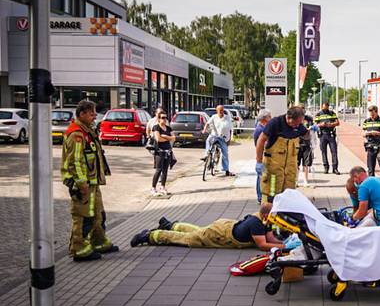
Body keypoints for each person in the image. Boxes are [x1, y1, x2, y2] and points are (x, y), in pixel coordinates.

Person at [61, 100, 118, 261]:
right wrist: (81, 183)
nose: (95, 117)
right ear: (82, 114)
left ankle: (99, 243)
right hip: (83, 185)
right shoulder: (77, 135)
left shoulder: (87, 131)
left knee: (98, 214)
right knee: (83, 217)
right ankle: (79, 249)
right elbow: (75, 162)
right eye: (92, 113)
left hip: (92, 183)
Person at [130, 205, 298, 251]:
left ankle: (170, 225)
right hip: (220, 235)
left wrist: (285, 242)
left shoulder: (263, 220)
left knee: (198, 230)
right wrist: (283, 247)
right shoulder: (256, 223)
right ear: (266, 215)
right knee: (189, 239)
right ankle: (151, 235)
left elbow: (270, 239)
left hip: (224, 226)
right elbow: (263, 245)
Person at [255, 106, 308, 205]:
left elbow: (306, 134)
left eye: (299, 123)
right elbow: (261, 140)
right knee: (271, 194)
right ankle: (268, 214)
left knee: (289, 195)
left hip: (289, 172)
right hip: (273, 171)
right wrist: (258, 161)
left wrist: (312, 131)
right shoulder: (275, 123)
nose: (297, 126)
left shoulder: (298, 126)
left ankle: (285, 215)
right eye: (296, 123)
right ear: (289, 118)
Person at [202, 105, 235, 177]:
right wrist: (204, 129)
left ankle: (226, 170)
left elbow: (230, 129)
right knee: (208, 140)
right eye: (219, 110)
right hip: (214, 135)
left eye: (222, 110)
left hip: (223, 137)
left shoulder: (227, 118)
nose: (221, 112)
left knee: (225, 153)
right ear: (217, 111)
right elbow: (207, 123)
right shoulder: (214, 116)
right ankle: (206, 155)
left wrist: (229, 139)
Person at [151, 112, 176, 196]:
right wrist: (169, 138)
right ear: (158, 118)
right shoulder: (156, 127)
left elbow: (174, 138)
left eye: (165, 117)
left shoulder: (169, 128)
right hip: (159, 152)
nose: (164, 119)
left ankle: (162, 187)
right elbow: (158, 139)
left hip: (168, 151)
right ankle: (153, 188)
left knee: (165, 170)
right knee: (158, 170)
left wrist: (165, 136)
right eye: (162, 117)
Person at [253, 109, 272, 203]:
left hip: (261, 158)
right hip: (262, 158)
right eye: (269, 117)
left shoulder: (260, 128)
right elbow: (259, 145)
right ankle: (261, 198)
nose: (271, 118)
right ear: (265, 118)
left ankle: (260, 197)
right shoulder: (261, 130)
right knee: (262, 179)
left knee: (259, 178)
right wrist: (259, 158)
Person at [315, 102, 340, 174]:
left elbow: (338, 122)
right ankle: (326, 168)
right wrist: (321, 124)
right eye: (323, 107)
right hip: (322, 135)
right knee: (323, 152)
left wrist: (331, 124)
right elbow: (316, 124)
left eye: (326, 107)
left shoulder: (332, 113)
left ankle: (335, 168)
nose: (325, 109)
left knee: (334, 152)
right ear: (321, 107)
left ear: (328, 107)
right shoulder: (318, 114)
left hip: (331, 135)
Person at [362, 105, 380, 176]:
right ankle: (372, 184)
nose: (372, 116)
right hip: (370, 146)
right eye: (370, 114)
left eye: (373, 114)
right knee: (370, 168)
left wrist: (377, 133)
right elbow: (362, 133)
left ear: (376, 112)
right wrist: (366, 133)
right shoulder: (366, 121)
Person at [297, 106, 315, 187]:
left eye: (303, 110)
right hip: (297, 143)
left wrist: (312, 128)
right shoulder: (295, 118)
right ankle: (295, 181)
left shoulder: (309, 118)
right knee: (296, 164)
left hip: (307, 143)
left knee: (306, 163)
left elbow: (313, 127)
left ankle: (305, 181)